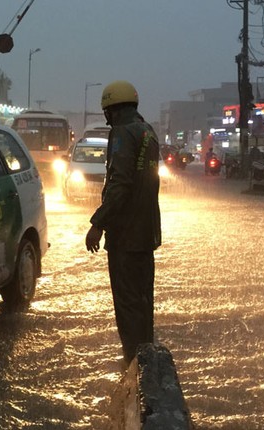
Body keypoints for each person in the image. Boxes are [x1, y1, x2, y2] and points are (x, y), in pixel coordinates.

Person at [85, 80, 162, 366]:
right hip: (146, 232)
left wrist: (98, 223)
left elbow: (120, 184)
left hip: (126, 235)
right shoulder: (148, 132)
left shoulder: (121, 133)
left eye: (106, 111)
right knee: (143, 301)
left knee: (127, 304)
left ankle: (133, 363)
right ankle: (146, 357)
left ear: (112, 110)